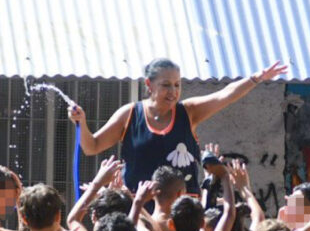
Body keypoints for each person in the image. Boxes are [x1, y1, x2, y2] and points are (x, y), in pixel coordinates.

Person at [68, 58, 288, 194]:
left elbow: (225, 95)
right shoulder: (130, 114)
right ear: (148, 85)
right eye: (165, 85)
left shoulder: (188, 112)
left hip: (182, 210)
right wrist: (82, 123)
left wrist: (257, 78)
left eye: (177, 85)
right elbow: (92, 146)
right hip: (139, 209)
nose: (173, 92)